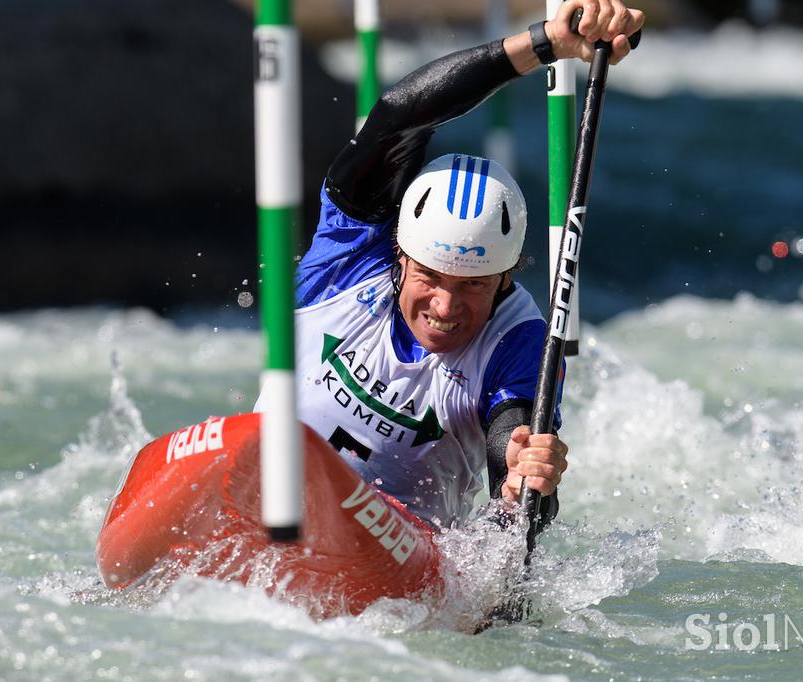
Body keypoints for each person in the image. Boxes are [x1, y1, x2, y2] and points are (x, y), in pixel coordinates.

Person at [255, 0, 644, 532]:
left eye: (474, 287)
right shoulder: (348, 252)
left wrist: (520, 486)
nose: (445, 306)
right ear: (399, 253)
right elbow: (400, 114)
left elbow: (513, 439)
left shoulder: (521, 339)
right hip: (262, 495)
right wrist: (546, 42)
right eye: (429, 277)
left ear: (506, 279)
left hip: (399, 550)